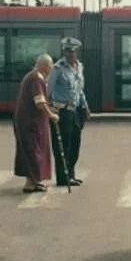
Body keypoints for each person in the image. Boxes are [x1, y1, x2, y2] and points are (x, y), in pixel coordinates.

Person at [47, 37, 90, 187]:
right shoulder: (57, 69)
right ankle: (63, 178)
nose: (70, 53)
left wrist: (85, 106)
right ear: (64, 52)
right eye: (67, 51)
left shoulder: (79, 67)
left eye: (72, 51)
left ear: (76, 52)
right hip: (62, 112)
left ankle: (71, 174)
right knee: (62, 147)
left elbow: (79, 90)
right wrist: (50, 108)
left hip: (76, 111)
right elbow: (48, 90)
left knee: (75, 145)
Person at [13, 54, 59, 194]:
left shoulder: (32, 76)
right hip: (31, 123)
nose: (52, 68)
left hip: (28, 121)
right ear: (45, 66)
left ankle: (34, 181)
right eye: (51, 65)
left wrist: (49, 109)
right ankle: (30, 184)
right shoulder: (36, 78)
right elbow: (39, 102)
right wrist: (51, 114)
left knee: (33, 150)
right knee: (34, 151)